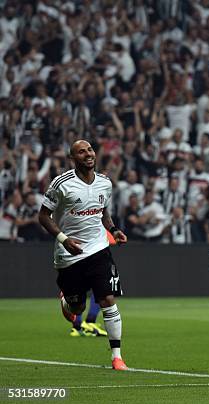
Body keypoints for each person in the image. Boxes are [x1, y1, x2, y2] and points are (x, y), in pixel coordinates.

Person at [38, 140, 129, 370]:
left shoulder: (105, 183)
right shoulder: (61, 184)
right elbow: (43, 216)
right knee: (77, 308)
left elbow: (103, 212)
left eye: (89, 150)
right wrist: (64, 240)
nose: (88, 154)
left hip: (98, 248)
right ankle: (66, 301)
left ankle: (117, 357)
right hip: (69, 253)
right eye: (81, 151)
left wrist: (114, 230)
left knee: (107, 299)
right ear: (73, 158)